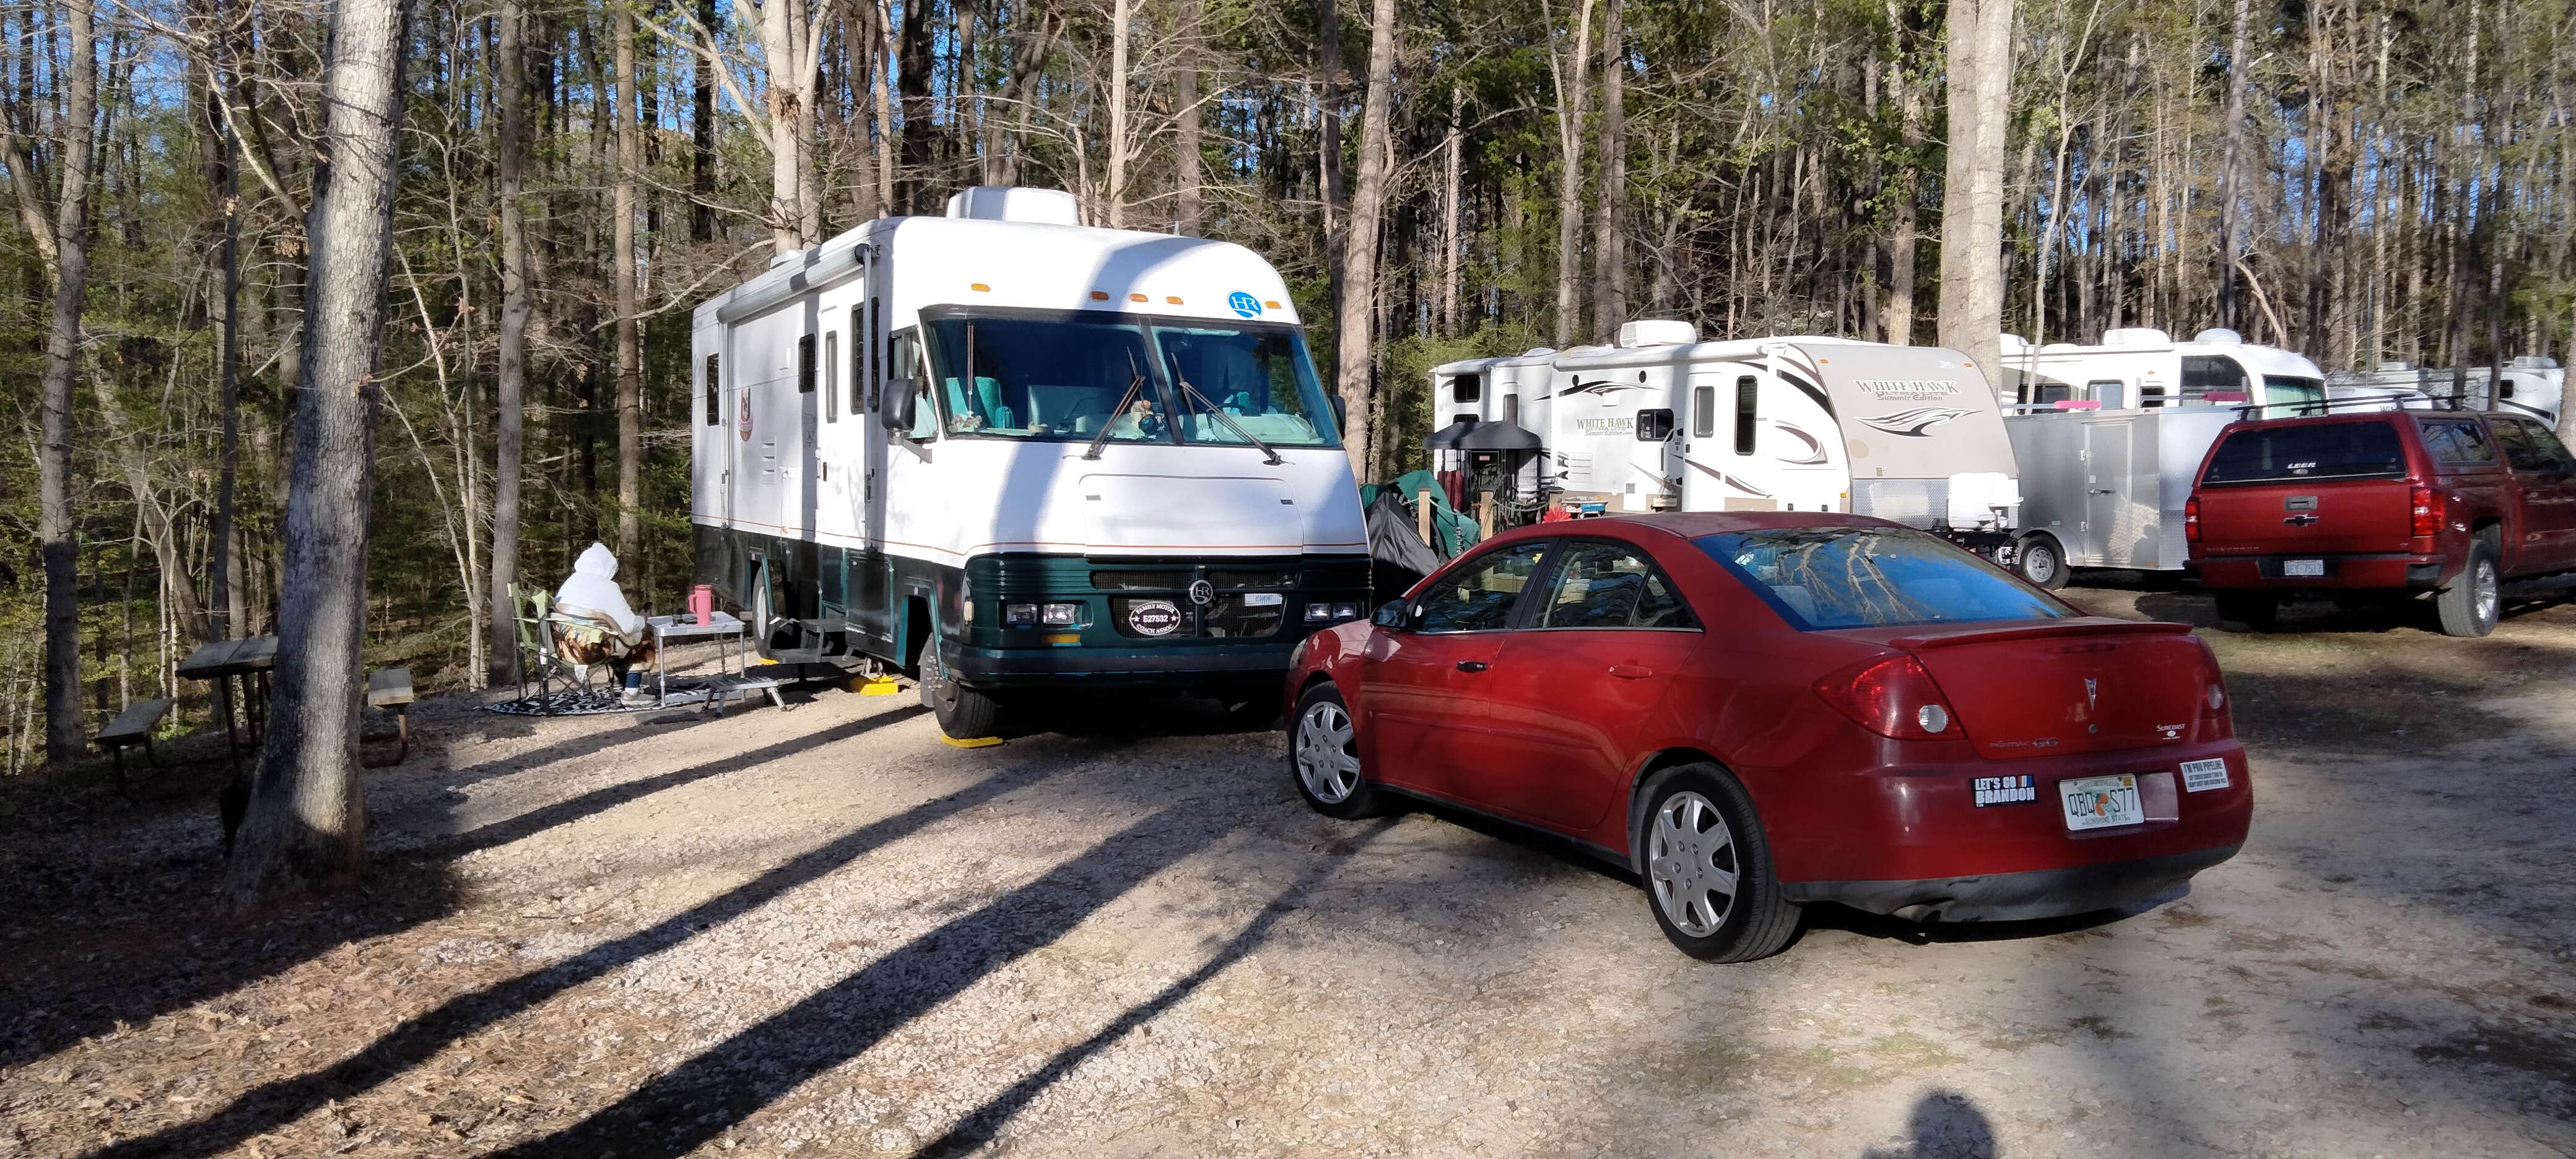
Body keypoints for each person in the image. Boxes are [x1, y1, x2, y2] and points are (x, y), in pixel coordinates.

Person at [552, 542, 656, 690]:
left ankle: (624, 683)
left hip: (563, 650)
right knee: (641, 637)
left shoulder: (570, 584)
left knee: (614, 639)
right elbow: (629, 625)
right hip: (591, 651)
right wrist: (643, 619)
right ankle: (632, 692)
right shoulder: (607, 587)